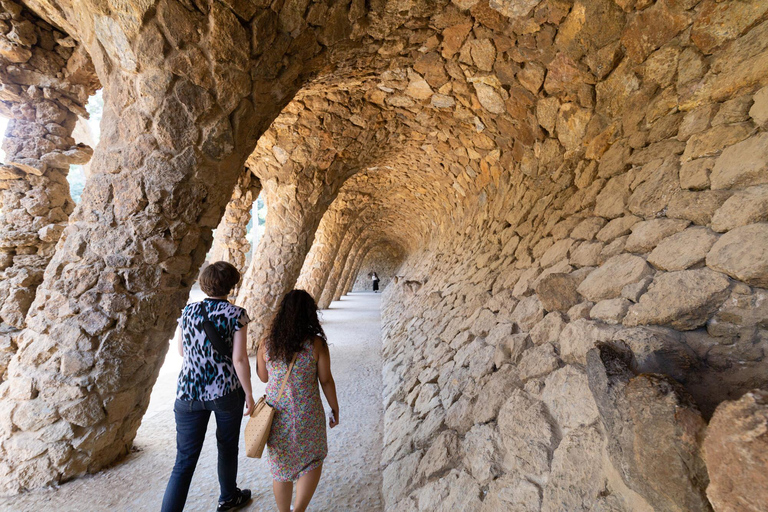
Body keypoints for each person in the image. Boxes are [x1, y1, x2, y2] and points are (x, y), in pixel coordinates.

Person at [161, 261, 255, 512]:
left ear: (204, 285)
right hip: (225, 392)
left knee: (184, 461)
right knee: (226, 446)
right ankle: (228, 498)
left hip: (188, 394)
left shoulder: (189, 311)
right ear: (231, 285)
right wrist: (249, 393)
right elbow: (239, 359)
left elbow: (182, 351)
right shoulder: (236, 315)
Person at [257, 289, 339, 512]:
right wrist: (334, 407)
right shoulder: (316, 344)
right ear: (310, 314)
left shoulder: (267, 344)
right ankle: (299, 509)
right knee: (312, 460)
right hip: (308, 413)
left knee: (281, 467)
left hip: (276, 413)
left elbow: (263, 377)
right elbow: (326, 380)